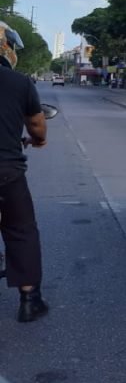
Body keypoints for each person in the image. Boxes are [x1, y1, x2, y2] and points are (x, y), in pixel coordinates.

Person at [0, 21, 49, 322]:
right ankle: (30, 300)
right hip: (6, 171)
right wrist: (39, 140)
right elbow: (37, 125)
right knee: (21, 230)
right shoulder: (19, 83)